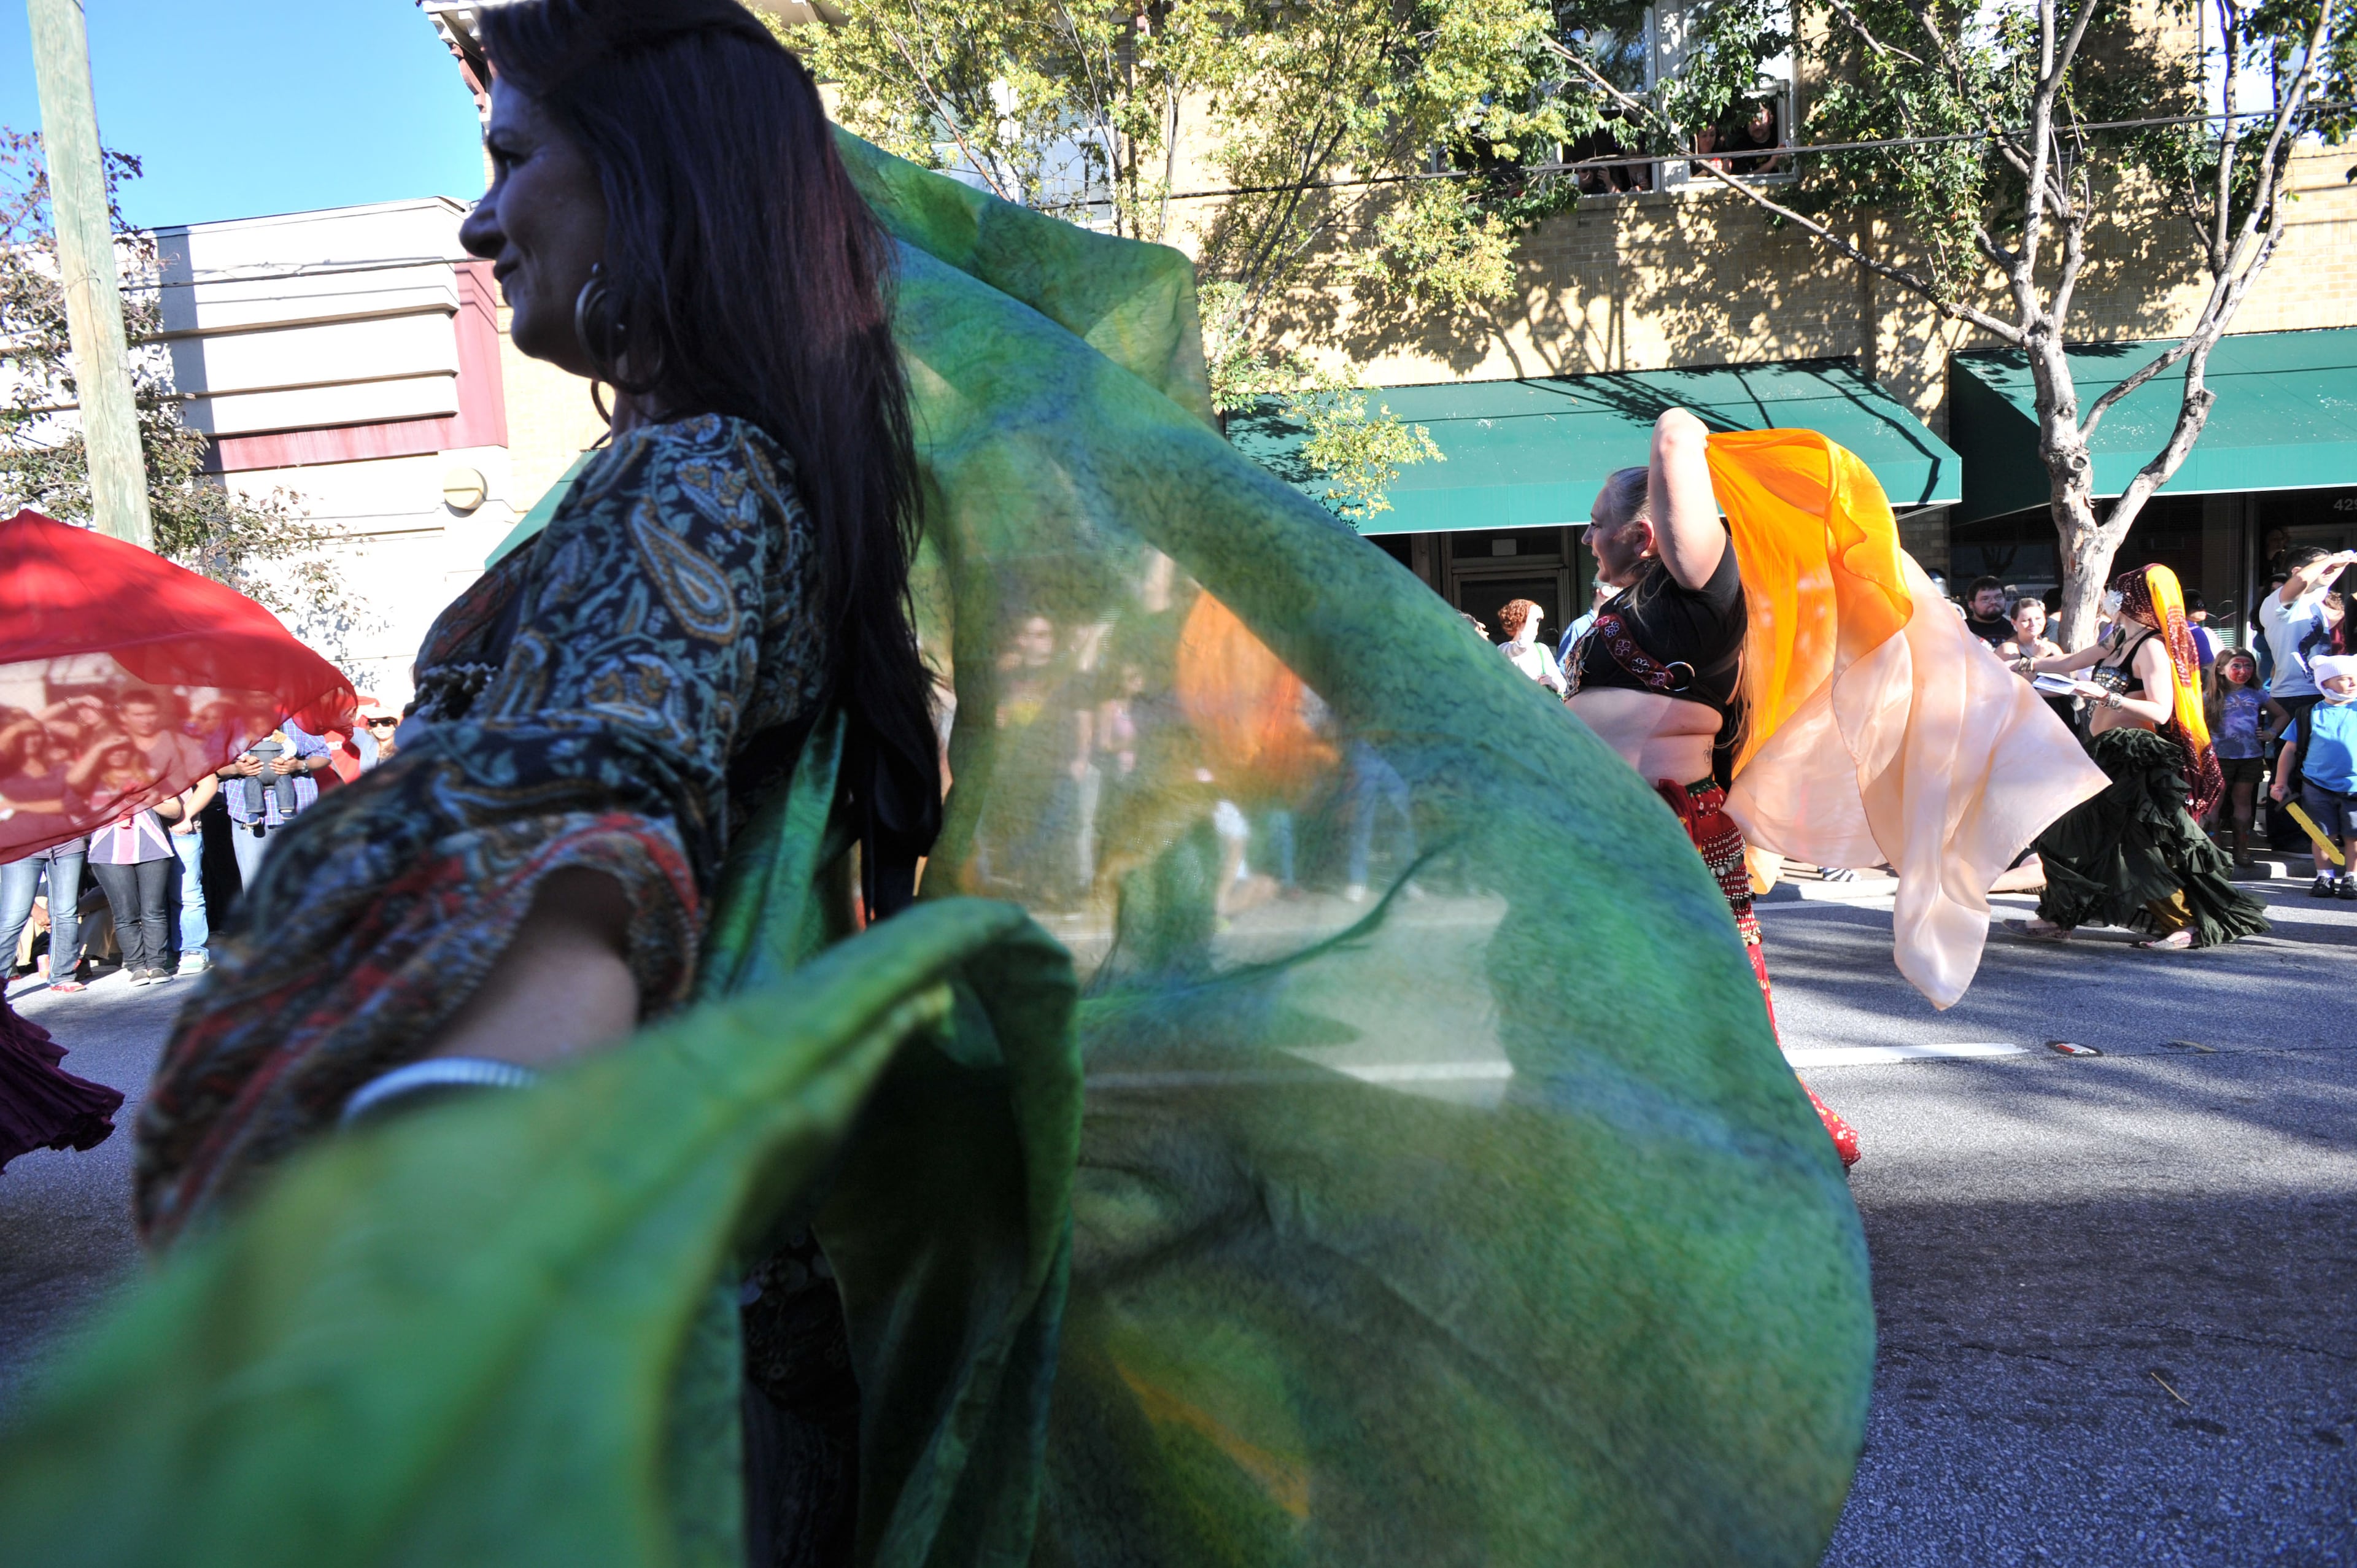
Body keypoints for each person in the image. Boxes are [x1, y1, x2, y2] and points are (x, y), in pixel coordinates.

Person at [1566, 412, 1860, 1167]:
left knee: (1703, 996)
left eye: (1597, 522)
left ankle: (1738, 1141)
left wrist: (1688, 440)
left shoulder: (1700, 597)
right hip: (1616, 830)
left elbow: (1674, 433)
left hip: (1669, 829)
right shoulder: (1626, 609)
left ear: (1647, 532)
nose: (1586, 537)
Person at [2014, 564, 2268, 949]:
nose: (2110, 598)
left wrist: (2106, 697)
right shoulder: (2115, 637)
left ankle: (2185, 922)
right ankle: (2058, 915)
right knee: (2065, 832)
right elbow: (2068, 663)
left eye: (2118, 592)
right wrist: (2024, 664)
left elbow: (2161, 711)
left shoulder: (2151, 647)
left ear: (2133, 600)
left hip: (2133, 759)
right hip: (2104, 752)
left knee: (2140, 846)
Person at [115, 690, 217, 973]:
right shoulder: (118, 748)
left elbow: (209, 784)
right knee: (148, 900)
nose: (146, 720)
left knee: (186, 893)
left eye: (150, 714)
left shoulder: (181, 744)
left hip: (178, 830)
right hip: (136, 833)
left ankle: (193, 949)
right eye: (138, 715)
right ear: (125, 718)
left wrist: (187, 816)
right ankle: (157, 954)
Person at [81, 735, 185, 986]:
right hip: (109, 852)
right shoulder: (93, 781)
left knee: (153, 910)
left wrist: (148, 795)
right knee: (125, 912)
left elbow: (174, 810)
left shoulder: (153, 776)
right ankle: (137, 966)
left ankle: (157, 964)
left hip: (152, 849)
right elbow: (82, 817)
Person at [2257, 546, 2357, 783]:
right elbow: (2302, 579)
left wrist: (2342, 562)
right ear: (2297, 570)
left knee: (2319, 769)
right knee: (2288, 773)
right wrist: (2332, 558)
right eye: (2325, 565)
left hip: (2323, 694)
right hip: (2294, 698)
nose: (2331, 570)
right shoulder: (2278, 601)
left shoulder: (2317, 600)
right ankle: (2282, 817)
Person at [2272, 653, 2357, 897]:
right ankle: (2324, 877)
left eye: (2355, 678)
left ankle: (2352, 877)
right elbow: (2289, 750)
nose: (2353, 683)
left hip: (2355, 785)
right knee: (2321, 835)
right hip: (2316, 785)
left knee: (2354, 836)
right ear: (2324, 683)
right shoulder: (2308, 714)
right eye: (2344, 678)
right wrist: (2280, 783)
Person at [215, 717, 332, 889]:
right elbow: (213, 766)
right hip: (248, 817)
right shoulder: (231, 725)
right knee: (255, 885)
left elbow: (323, 755)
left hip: (296, 813)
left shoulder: (297, 722)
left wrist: (299, 765)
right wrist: (236, 769)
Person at [2209, 648, 2267, 867]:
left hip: (2250, 757)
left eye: (2248, 666)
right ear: (2221, 670)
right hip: (2219, 757)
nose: (2244, 671)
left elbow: (2282, 714)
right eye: (2237, 666)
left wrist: (2272, 732)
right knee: (2216, 800)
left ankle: (2241, 848)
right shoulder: (2209, 697)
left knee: (2243, 800)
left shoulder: (2258, 694)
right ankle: (2214, 848)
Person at [1999, 595, 2071, 727]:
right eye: (2026, 620)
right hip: (2027, 718)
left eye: (2038, 618)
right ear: (2014, 622)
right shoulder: (2008, 649)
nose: (2033, 624)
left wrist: (2038, 692)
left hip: (2060, 714)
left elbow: (2067, 684)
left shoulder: (2052, 647)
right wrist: (2037, 659)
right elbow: (2020, 689)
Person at [1495, 597, 1568, 694]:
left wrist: (1551, 683)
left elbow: (1563, 685)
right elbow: (1521, 647)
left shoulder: (1542, 649)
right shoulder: (1503, 649)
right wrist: (1531, 615)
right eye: (1535, 620)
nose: (1537, 624)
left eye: (1537, 620)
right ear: (1520, 620)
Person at [1961, 575, 2013, 649]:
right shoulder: (1962, 630)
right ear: (1971, 604)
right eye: (1985, 599)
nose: (1993, 602)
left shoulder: (2017, 627)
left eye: (1998, 597)